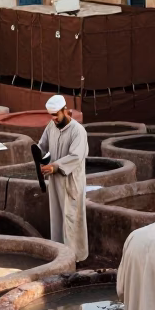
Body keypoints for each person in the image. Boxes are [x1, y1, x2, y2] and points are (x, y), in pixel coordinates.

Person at [38, 95, 89, 262]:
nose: (53, 119)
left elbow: (76, 156)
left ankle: (76, 258)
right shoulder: (51, 126)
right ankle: (60, 256)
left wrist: (55, 166)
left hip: (71, 182)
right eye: (51, 116)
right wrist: (39, 158)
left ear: (64, 110)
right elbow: (42, 146)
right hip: (55, 182)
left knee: (72, 219)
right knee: (57, 218)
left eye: (56, 115)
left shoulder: (78, 131)